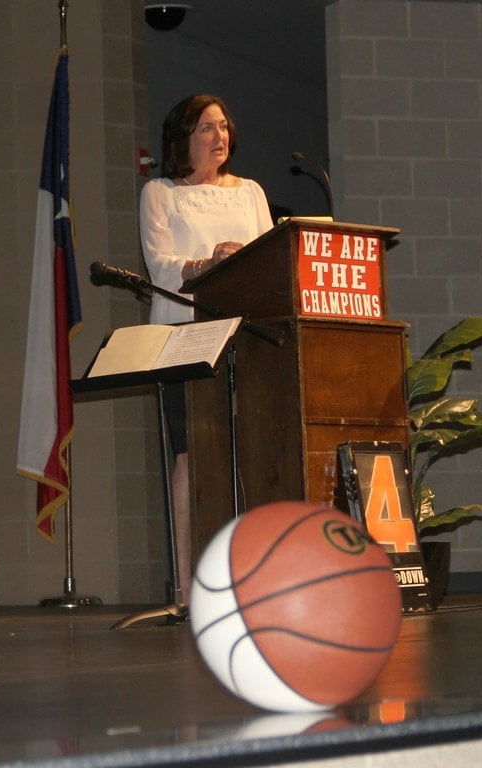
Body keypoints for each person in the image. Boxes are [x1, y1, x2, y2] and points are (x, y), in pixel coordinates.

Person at [139, 94, 274, 609]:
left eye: (223, 126)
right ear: (182, 140)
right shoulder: (160, 193)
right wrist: (206, 263)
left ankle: (250, 582)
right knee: (190, 456)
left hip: (246, 337)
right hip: (183, 336)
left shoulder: (252, 193)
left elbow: (267, 260)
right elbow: (161, 267)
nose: (218, 138)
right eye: (204, 129)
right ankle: (187, 587)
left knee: (251, 453)